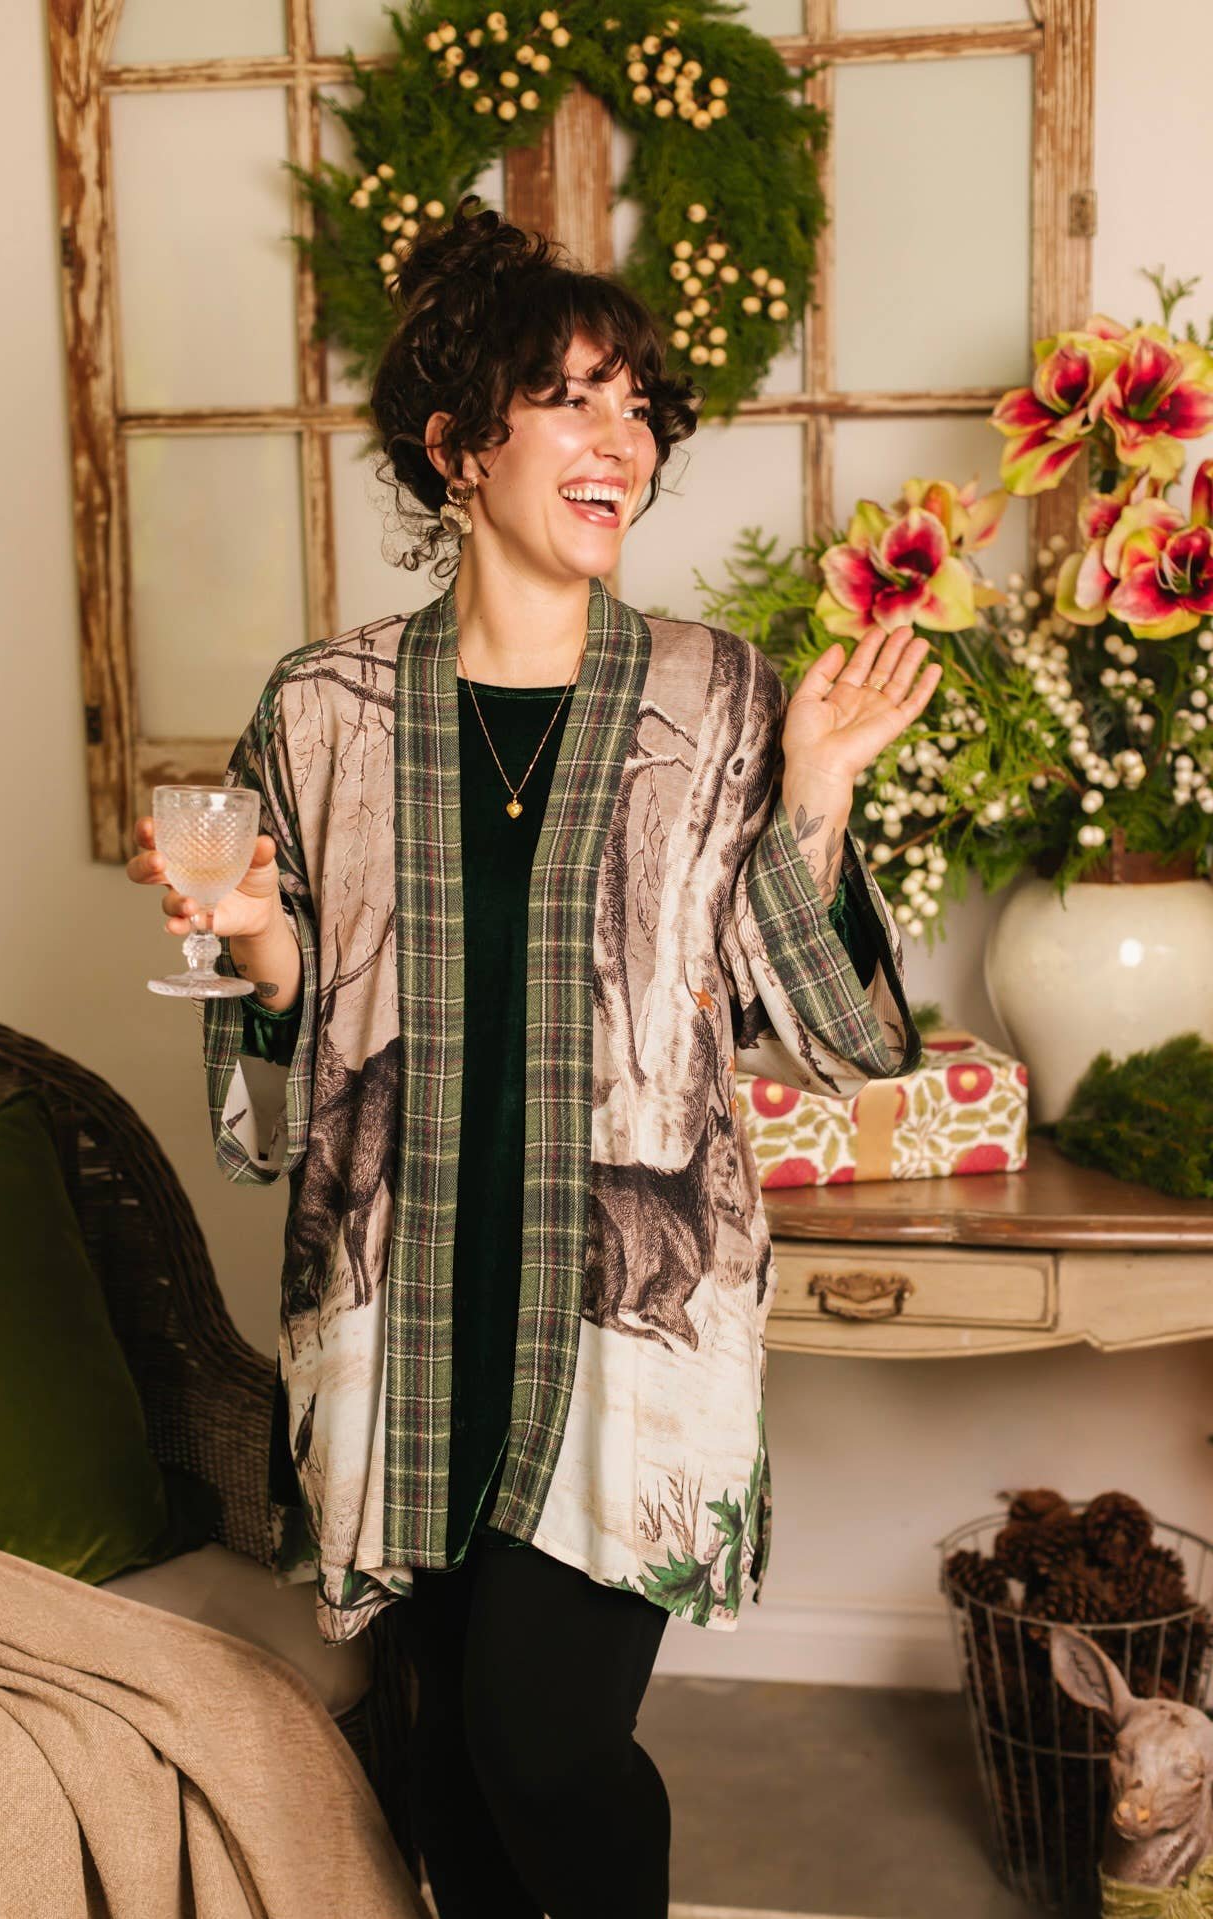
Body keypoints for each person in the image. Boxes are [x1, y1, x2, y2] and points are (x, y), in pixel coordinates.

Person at [126, 197, 937, 1919]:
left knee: (543, 1744)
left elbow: (833, 1035)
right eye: (568, 399)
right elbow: (288, 1065)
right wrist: (252, 936)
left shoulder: (719, 697)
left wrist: (817, 785)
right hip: (401, 1308)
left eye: (637, 406)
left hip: (624, 1317)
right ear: (456, 451)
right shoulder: (323, 707)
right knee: (444, 1762)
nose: (619, 440)